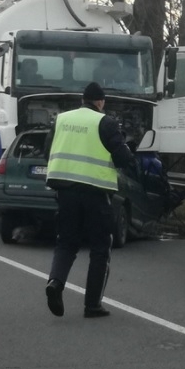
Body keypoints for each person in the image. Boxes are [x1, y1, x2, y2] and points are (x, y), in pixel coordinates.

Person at [44, 82, 136, 318]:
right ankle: (92, 305)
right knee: (100, 247)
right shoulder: (105, 122)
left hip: (65, 191)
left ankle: (55, 282)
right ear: (100, 102)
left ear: (82, 100)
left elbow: (47, 151)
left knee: (66, 242)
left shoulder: (61, 120)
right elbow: (123, 158)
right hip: (96, 193)